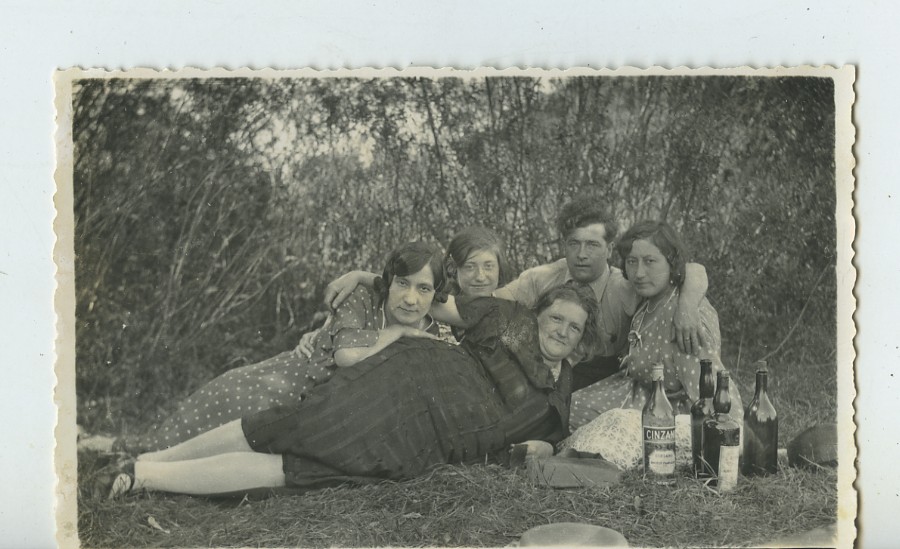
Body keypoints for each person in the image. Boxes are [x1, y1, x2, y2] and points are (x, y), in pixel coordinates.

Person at [106, 285, 599, 497]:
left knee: (308, 471)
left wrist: (539, 447)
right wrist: (368, 277)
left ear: (581, 339)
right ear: (537, 313)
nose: (561, 331)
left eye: (573, 327)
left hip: (429, 443)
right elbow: (428, 297)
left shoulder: (559, 394)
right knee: (297, 427)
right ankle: (149, 462)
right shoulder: (503, 315)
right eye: (555, 318)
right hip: (405, 383)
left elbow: (541, 444)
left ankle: (144, 475)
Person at [131, 241, 446, 451]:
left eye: (423, 288)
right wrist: (396, 332)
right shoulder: (363, 298)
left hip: (328, 412)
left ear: (436, 294)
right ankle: (144, 451)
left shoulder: (436, 332)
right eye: (402, 283)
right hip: (297, 377)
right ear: (388, 282)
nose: (410, 298)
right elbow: (346, 356)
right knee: (227, 398)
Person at [563, 220, 741, 467]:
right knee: (567, 408)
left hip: (668, 413)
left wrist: (730, 440)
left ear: (672, 263)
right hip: (636, 392)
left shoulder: (684, 319)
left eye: (650, 261)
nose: (639, 273)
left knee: (607, 435)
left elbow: (708, 395)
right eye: (632, 262)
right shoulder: (649, 301)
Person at [298, 226, 515, 354]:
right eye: (469, 266)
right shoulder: (438, 302)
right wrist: (323, 334)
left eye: (489, 266)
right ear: (453, 269)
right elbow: (395, 287)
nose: (480, 276)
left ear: (500, 268)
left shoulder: (508, 311)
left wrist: (359, 275)